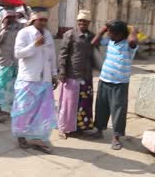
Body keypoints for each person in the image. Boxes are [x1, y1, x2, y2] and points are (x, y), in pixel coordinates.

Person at [11, 11, 58, 153]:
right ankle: (21, 135)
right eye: (40, 20)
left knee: (43, 112)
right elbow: (18, 54)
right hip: (28, 78)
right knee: (24, 110)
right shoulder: (24, 33)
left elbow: (52, 55)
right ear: (33, 20)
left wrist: (54, 74)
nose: (43, 23)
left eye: (45, 20)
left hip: (45, 79)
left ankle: (38, 138)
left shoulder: (48, 34)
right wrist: (34, 45)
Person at [91, 20, 138, 150]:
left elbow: (133, 41)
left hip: (120, 83)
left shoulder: (129, 45)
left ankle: (116, 137)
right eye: (109, 32)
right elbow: (94, 43)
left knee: (118, 110)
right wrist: (102, 31)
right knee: (101, 107)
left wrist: (132, 29)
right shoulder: (110, 41)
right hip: (104, 80)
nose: (109, 34)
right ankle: (99, 130)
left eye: (112, 32)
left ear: (121, 34)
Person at [58, 10, 96, 139]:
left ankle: (80, 128)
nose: (82, 23)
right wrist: (62, 71)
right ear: (77, 21)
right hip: (72, 75)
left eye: (85, 21)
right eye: (80, 21)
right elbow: (63, 54)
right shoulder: (69, 34)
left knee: (84, 104)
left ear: (89, 23)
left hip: (86, 75)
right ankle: (64, 128)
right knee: (69, 104)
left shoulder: (92, 36)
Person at [0, 9, 22, 123]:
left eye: (12, 17)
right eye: (7, 17)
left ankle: (9, 109)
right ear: (2, 18)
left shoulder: (19, 28)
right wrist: (4, 29)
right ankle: (2, 111)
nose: (10, 20)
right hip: (3, 62)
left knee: (13, 87)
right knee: (2, 86)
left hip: (16, 62)